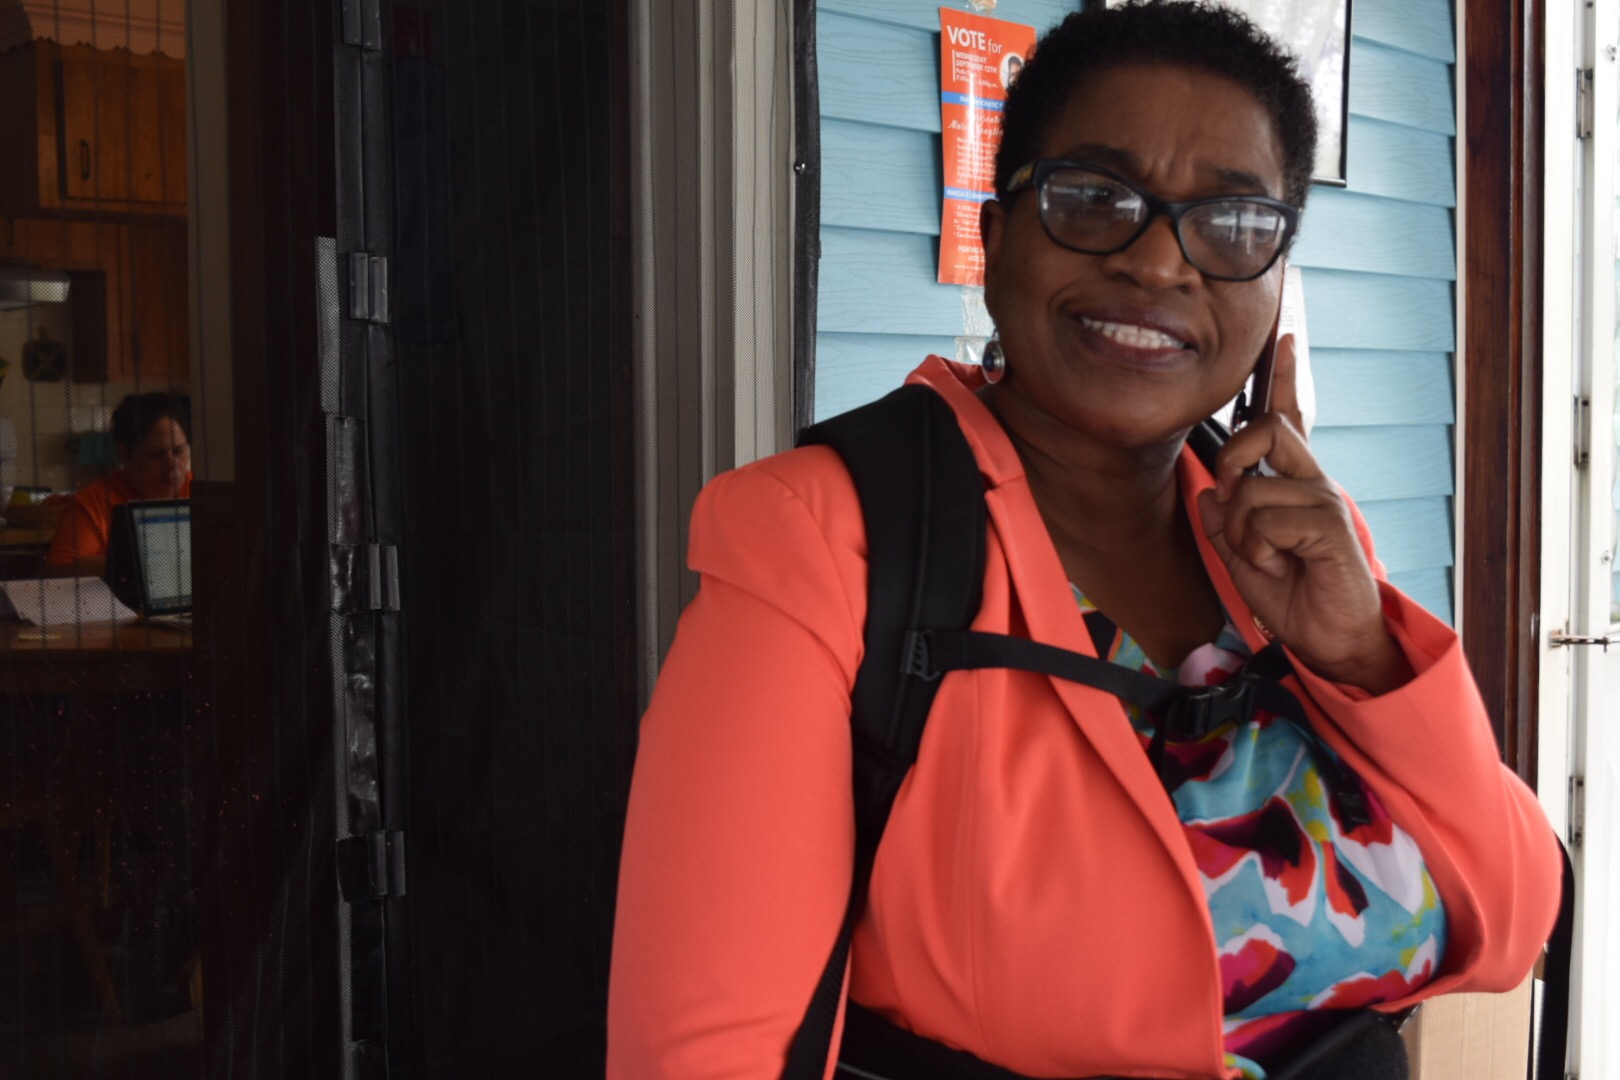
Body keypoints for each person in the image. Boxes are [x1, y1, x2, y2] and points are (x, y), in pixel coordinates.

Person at [607, 4, 1562, 1078]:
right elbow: (704, 1057)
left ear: (1276, 280)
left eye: (1234, 221)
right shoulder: (828, 543)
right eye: (1096, 198)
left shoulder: (1288, 553)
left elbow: (1515, 920)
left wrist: (1362, 656)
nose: (1159, 262)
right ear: (996, 233)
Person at [45, 391, 192, 576]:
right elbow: (58, 572)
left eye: (179, 451)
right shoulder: (94, 503)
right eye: (155, 455)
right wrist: (138, 564)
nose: (172, 466)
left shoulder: (202, 492)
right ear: (123, 454)